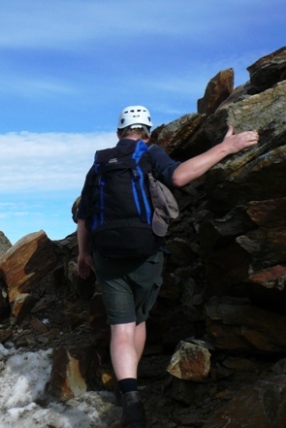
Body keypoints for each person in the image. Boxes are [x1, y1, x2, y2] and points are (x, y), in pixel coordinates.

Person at [75, 105, 259, 427]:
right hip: (145, 252)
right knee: (139, 320)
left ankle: (129, 396)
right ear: (147, 131)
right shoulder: (149, 152)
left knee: (120, 327)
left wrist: (83, 255)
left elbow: (84, 217)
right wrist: (226, 147)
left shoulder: (100, 164)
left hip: (106, 254)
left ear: (119, 133)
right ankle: (134, 382)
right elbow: (179, 175)